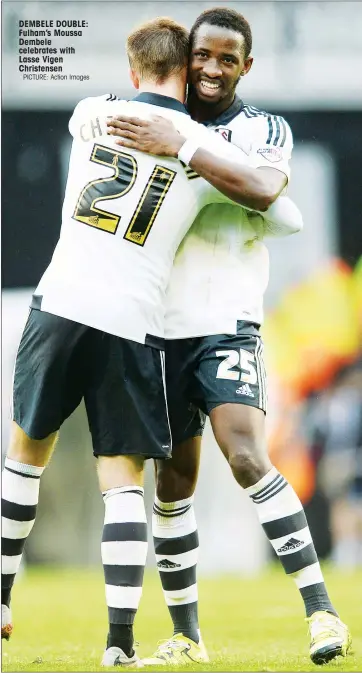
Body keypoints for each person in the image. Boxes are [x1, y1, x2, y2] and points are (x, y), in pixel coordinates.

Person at [0, 16, 302, 668]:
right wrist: (190, 147)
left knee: (24, 457)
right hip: (134, 322)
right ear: (188, 68)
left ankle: (0, 599)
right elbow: (281, 210)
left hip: (59, 304)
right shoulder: (195, 143)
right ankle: (119, 642)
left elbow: (91, 128)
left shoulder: (93, 111)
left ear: (133, 70)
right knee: (124, 488)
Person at [107, 7, 351, 666]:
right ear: (184, 62)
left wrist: (183, 147)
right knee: (172, 482)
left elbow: (265, 187)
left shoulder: (262, 127)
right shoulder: (156, 119)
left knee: (246, 454)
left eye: (226, 58)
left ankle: (323, 613)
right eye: (201, 57)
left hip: (225, 323)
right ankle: (187, 634)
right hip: (156, 325)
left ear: (247, 66)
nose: (211, 69)